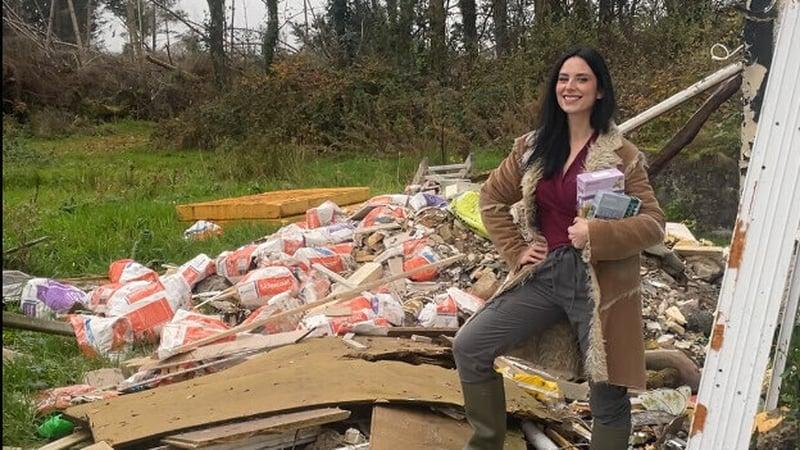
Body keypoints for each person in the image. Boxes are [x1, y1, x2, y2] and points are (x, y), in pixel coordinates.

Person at [452, 47, 666, 450]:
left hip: (601, 281)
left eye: (582, 79)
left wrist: (596, 233)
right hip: (547, 272)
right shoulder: (532, 147)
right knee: (470, 346)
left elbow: (653, 223)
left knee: (607, 392)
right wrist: (516, 249)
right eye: (563, 79)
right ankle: (486, 444)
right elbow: (491, 199)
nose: (570, 87)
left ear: (599, 91)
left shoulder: (621, 154)